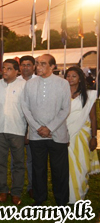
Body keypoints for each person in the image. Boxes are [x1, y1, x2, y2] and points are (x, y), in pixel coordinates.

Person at [21, 54, 71, 206]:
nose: (38, 66)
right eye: (37, 63)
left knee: (59, 171)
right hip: (36, 136)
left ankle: (61, 202)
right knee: (38, 169)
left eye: (43, 63)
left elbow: (65, 109)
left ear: (53, 67)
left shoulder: (63, 84)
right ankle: (39, 199)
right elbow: (25, 108)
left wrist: (49, 127)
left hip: (58, 135)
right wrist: (38, 128)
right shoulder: (30, 84)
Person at [0, 59, 27, 205]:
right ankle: (3, 191)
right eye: (3, 68)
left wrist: (28, 132)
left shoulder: (24, 86)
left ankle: (16, 192)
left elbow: (28, 109)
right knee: (0, 162)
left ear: (17, 71)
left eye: (9, 68)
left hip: (17, 129)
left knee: (18, 163)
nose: (4, 71)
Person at [65, 66, 100, 203]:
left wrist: (94, 137)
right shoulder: (62, 93)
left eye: (74, 76)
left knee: (81, 165)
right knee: (66, 166)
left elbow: (93, 118)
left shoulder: (89, 96)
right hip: (65, 135)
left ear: (80, 78)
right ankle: (67, 195)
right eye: (68, 76)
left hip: (82, 135)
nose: (70, 79)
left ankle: (79, 194)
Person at [17, 55, 36, 198]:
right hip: (16, 125)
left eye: (28, 65)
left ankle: (32, 186)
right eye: (23, 65)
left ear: (34, 66)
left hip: (33, 126)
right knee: (16, 160)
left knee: (32, 159)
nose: (25, 67)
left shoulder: (39, 82)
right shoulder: (14, 81)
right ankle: (16, 188)